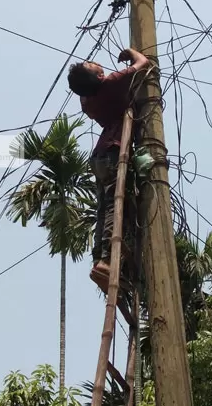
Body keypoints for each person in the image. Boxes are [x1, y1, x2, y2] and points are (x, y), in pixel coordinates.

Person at [67, 48, 150, 293]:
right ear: (100, 76)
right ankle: (105, 259)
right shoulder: (110, 83)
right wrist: (132, 52)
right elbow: (143, 63)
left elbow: (90, 88)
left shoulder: (87, 102)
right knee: (114, 205)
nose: (96, 63)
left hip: (98, 157)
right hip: (114, 151)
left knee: (103, 207)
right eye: (94, 65)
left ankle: (98, 260)